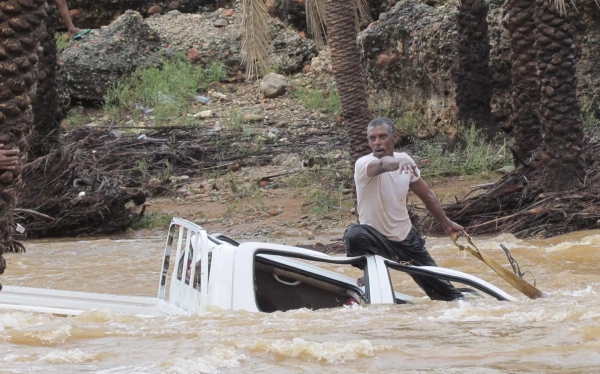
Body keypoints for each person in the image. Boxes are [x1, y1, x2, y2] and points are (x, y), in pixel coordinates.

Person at [344, 117, 465, 301]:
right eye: (372, 138)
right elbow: (383, 164)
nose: (377, 142)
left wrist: (447, 224)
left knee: (449, 296)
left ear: (394, 137)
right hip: (376, 240)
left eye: (382, 136)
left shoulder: (406, 161)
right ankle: (371, 273)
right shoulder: (363, 164)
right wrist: (395, 163)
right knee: (354, 235)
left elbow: (428, 196)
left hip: (407, 239)